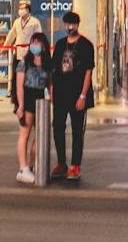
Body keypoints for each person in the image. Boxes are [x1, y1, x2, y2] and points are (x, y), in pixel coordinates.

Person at [49, 10, 95, 180]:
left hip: (77, 95)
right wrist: (52, 91)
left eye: (73, 24)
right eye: (68, 24)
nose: (70, 27)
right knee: (58, 127)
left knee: (77, 130)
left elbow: (88, 72)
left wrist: (83, 96)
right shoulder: (60, 44)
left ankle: (76, 165)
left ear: (78, 24)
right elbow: (54, 69)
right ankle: (61, 162)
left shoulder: (86, 45)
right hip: (61, 94)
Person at [13, 29, 50, 182]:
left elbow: (50, 83)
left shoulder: (47, 64)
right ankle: (23, 168)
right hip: (27, 98)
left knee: (40, 135)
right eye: (33, 42)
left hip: (40, 99)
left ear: (43, 45)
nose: (35, 45)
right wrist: (20, 105)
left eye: (37, 42)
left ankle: (31, 165)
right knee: (25, 134)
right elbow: (19, 85)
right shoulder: (24, 63)